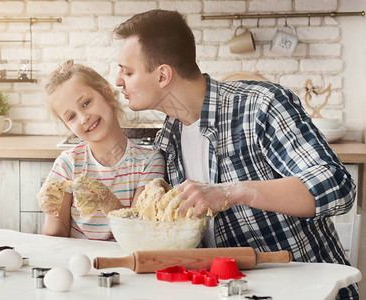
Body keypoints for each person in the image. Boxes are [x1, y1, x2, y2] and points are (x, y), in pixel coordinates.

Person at [114, 9, 358, 299]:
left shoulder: (260, 106)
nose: (118, 81)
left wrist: (232, 192)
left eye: (127, 72)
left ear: (163, 75)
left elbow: (337, 187)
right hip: (232, 291)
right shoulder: (169, 137)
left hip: (306, 290)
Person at [38, 61, 165, 241]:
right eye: (71, 117)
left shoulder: (149, 162)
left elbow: (138, 234)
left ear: (107, 94)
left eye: (86, 103)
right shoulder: (67, 164)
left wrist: (107, 201)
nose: (83, 118)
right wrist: (52, 211)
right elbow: (55, 237)